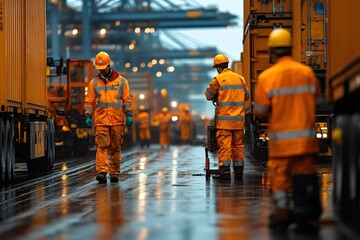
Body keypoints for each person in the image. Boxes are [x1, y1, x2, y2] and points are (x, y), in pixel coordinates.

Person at [253, 28, 322, 232]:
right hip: (306, 141)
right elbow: (316, 101)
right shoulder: (306, 73)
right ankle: (305, 216)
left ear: (271, 52)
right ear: (291, 48)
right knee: (304, 174)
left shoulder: (268, 77)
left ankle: (282, 215)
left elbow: (261, 111)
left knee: (280, 177)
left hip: (282, 144)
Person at [84, 51, 133, 183]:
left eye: (103, 68)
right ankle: (101, 172)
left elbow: (126, 100)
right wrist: (88, 115)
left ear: (109, 65)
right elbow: (89, 101)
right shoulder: (94, 83)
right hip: (101, 120)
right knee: (102, 146)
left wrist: (129, 114)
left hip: (117, 120)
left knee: (116, 147)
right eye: (99, 69)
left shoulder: (122, 82)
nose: (102, 71)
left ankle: (114, 172)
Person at [205, 53, 250, 180]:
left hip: (224, 122)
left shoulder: (218, 80)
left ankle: (224, 172)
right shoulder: (240, 78)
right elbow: (247, 96)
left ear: (218, 67)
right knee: (238, 146)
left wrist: (217, 96)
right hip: (239, 122)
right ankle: (238, 172)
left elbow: (208, 95)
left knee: (225, 146)